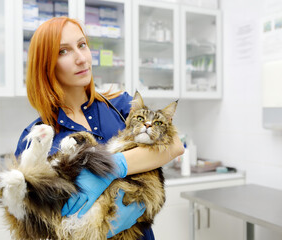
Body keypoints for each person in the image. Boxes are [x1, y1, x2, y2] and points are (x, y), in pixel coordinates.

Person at [14, 16, 184, 239]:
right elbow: (32, 222)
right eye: (63, 51)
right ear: (45, 65)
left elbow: (174, 145)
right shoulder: (37, 137)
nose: (81, 58)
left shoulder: (119, 106)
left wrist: (114, 166)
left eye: (82, 45)